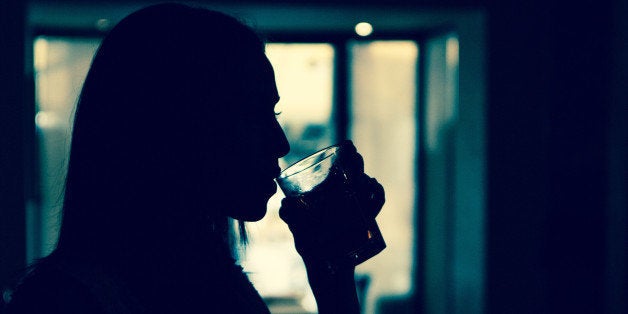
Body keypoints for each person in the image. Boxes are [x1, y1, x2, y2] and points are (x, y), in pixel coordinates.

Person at [3, 3, 384, 314]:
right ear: (175, 125)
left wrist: (330, 271)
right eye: (253, 114)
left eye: (275, 114)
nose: (280, 143)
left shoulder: (217, 281)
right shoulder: (66, 302)